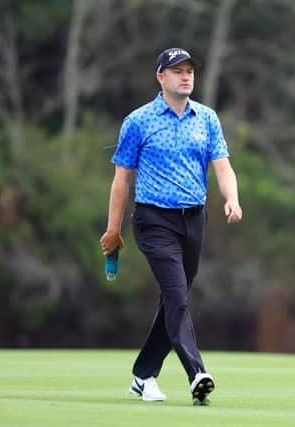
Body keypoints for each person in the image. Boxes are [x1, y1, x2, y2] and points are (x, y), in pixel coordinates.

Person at [99, 47, 242, 406]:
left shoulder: (206, 119)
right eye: (177, 70)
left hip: (194, 220)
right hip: (153, 220)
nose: (185, 76)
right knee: (177, 295)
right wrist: (113, 230)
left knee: (174, 300)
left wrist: (232, 198)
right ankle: (197, 374)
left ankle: (143, 375)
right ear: (160, 77)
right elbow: (121, 181)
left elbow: (222, 166)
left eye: (189, 70)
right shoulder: (139, 121)